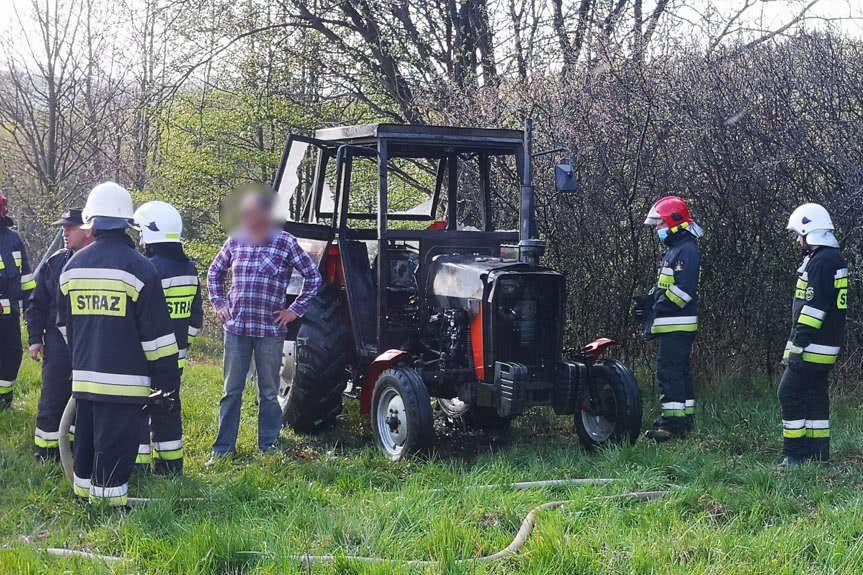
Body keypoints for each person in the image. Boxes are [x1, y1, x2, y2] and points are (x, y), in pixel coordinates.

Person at [58, 182, 180, 506]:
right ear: (127, 222)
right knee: (114, 456)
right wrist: (167, 382)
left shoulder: (71, 268)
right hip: (125, 388)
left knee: (84, 447)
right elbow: (157, 339)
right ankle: (109, 515)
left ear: (91, 222)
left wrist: (82, 361)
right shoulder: (141, 269)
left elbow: (66, 326)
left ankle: (84, 504)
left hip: (84, 383)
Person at [207, 190, 322, 462]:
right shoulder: (236, 240)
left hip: (270, 331)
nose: (246, 218)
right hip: (236, 329)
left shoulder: (285, 242)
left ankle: (268, 446)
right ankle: (223, 450)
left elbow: (313, 277)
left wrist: (294, 311)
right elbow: (214, 272)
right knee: (231, 392)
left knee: (269, 393)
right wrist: (219, 303)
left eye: (251, 213)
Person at [132, 201, 202, 475]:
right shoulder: (189, 269)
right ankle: (171, 467)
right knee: (168, 408)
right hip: (175, 358)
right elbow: (195, 319)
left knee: (138, 409)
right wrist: (183, 346)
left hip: (146, 356)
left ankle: (139, 468)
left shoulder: (147, 269)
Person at [778, 203, 847, 469]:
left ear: (810, 232)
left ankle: (794, 455)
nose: (798, 240)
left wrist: (798, 345)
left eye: (800, 234)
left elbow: (813, 310)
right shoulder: (831, 258)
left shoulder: (822, 262)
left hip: (812, 345)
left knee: (788, 393)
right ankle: (819, 456)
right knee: (816, 396)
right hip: (826, 345)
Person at [26, 208, 92, 460]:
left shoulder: (98, 262)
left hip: (89, 343)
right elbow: (36, 304)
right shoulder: (54, 263)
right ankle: (46, 453)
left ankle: (76, 452)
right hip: (57, 344)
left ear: (87, 231)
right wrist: (35, 339)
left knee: (84, 401)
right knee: (53, 396)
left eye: (70, 227)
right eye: (63, 227)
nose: (65, 232)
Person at [637, 196, 702, 442]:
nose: (658, 229)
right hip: (673, 325)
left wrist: (655, 306)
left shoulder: (685, 250)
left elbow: (682, 292)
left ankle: (671, 426)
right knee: (679, 373)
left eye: (660, 224)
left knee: (670, 373)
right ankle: (683, 422)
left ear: (675, 222)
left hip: (677, 325)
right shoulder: (676, 249)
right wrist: (648, 300)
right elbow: (666, 286)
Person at [0, 191, 36, 410]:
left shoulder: (14, 240)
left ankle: (4, 401)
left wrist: (31, 311)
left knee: (11, 355)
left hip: (10, 315)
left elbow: (26, 280)